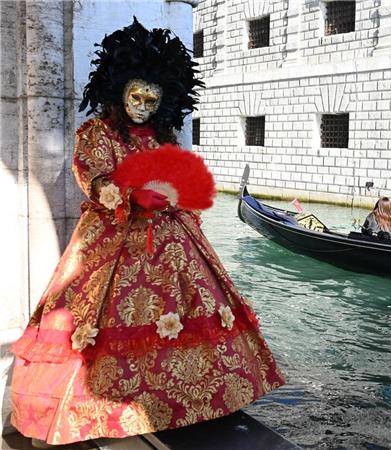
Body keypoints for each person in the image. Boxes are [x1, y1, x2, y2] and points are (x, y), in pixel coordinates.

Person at [9, 19, 284, 446]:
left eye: (152, 100)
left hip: (172, 239)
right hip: (113, 238)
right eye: (136, 95)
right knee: (99, 323)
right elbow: (91, 176)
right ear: (118, 90)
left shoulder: (162, 139)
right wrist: (129, 194)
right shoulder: (97, 133)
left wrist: (176, 196)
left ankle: (184, 403)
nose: (143, 105)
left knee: (190, 312)